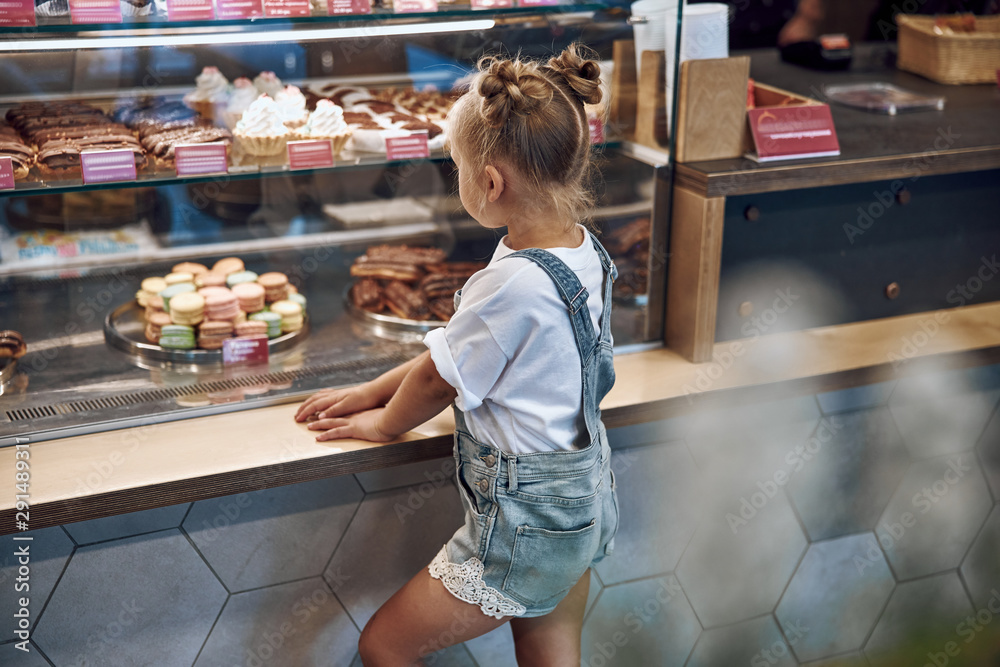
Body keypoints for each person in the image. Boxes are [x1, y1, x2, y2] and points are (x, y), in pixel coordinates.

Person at [294, 44, 620, 667]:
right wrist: (370, 388)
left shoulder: (513, 281)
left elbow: (441, 377)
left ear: (491, 181)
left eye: (457, 167)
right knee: (551, 654)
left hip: (525, 522)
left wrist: (382, 422)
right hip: (581, 501)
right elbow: (458, 349)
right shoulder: (579, 250)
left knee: (384, 645)